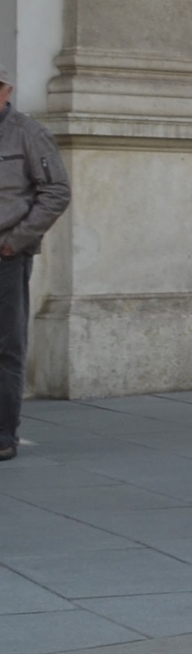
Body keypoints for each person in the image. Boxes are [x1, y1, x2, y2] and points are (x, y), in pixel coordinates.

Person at [0, 68, 70, 463]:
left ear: (6, 90)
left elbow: (56, 192)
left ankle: (3, 434)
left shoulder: (29, 133)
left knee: (6, 346)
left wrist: (16, 242)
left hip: (5, 255)